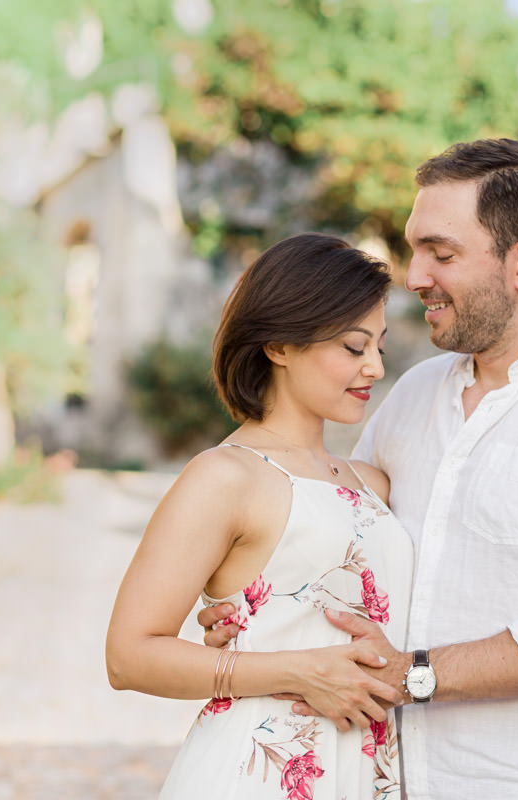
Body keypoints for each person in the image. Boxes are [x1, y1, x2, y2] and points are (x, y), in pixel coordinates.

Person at [203, 139, 518, 799]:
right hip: (380, 781)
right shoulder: (412, 395)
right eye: (415, 249)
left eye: (442, 253)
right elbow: (347, 544)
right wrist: (261, 609)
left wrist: (409, 677)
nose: (414, 276)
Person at [105, 233, 414, 799]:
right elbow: (129, 656)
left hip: (365, 774)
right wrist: (295, 670)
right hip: (257, 773)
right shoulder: (224, 477)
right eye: (353, 346)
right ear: (278, 345)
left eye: (379, 348)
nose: (373, 366)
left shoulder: (372, 484)